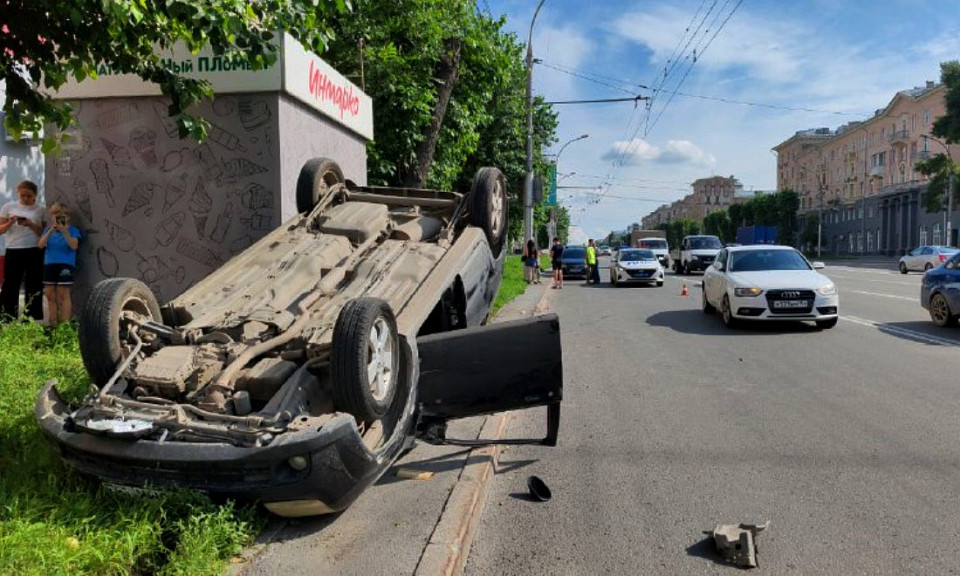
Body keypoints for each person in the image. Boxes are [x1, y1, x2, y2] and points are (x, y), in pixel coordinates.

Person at [0, 180, 46, 321]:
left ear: (35, 195)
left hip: (34, 249)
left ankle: (33, 315)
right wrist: (10, 222)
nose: (26, 199)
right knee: (11, 283)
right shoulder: (8, 207)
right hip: (14, 249)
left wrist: (30, 224)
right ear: (18, 194)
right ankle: (8, 315)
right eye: (23, 195)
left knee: (34, 282)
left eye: (29, 196)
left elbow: (44, 232)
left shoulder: (41, 210)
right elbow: (1, 230)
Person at [38, 203, 81, 327]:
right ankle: (53, 324)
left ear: (68, 217)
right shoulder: (48, 230)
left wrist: (64, 231)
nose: (58, 218)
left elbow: (74, 246)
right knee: (50, 294)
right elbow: (40, 245)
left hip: (65, 264)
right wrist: (51, 230)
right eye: (55, 215)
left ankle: (64, 325)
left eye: (61, 216)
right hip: (49, 264)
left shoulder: (73, 230)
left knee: (63, 293)